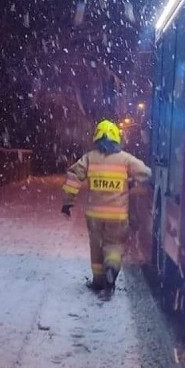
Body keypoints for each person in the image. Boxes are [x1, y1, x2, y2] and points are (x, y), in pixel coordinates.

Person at [61, 119, 152, 292]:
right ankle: (111, 269)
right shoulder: (125, 159)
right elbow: (145, 173)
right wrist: (133, 182)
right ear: (117, 139)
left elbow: (73, 177)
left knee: (96, 247)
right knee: (114, 245)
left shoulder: (89, 158)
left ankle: (97, 281)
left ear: (96, 138)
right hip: (117, 216)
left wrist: (67, 202)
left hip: (94, 215)